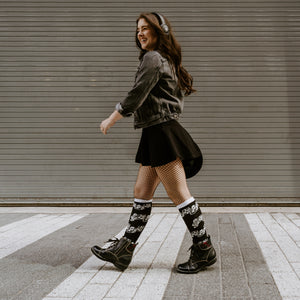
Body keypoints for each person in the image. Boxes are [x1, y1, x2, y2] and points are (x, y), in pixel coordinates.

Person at [91, 12, 217, 274]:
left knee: (179, 195)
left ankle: (204, 247)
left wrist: (112, 117)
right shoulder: (165, 59)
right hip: (156, 131)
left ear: (159, 32)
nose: (140, 33)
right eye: (138, 29)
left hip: (162, 133)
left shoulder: (153, 58)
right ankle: (125, 248)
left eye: (146, 28)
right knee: (142, 192)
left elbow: (138, 93)